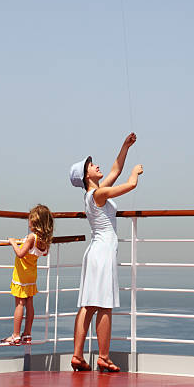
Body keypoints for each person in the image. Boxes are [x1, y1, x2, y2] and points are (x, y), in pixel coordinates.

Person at [69, 133, 143, 372]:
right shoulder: (98, 195)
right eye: (91, 165)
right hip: (102, 254)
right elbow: (129, 184)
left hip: (96, 252)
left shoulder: (93, 194)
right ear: (86, 175)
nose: (96, 165)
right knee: (104, 305)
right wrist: (136, 173)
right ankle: (103, 356)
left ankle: (78, 356)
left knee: (88, 304)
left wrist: (125, 146)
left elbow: (115, 169)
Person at [1, 204, 54, 345]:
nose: (28, 222)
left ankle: (16, 335)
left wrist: (13, 242)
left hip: (21, 275)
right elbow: (44, 253)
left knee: (19, 304)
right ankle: (27, 334)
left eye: (30, 219)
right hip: (32, 275)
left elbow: (20, 254)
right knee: (29, 304)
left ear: (35, 222)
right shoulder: (44, 240)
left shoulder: (32, 237)